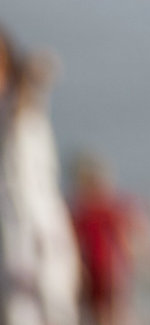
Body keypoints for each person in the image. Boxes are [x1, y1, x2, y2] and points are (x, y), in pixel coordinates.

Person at [0, 27, 81, 325]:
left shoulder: (26, 106)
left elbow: (48, 66)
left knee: (56, 304)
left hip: (43, 223)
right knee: (20, 311)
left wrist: (25, 71)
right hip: (12, 233)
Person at [67, 152, 150, 325]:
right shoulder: (79, 213)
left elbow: (139, 229)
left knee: (116, 311)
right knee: (99, 314)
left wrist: (148, 257)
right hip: (93, 274)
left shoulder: (113, 207)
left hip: (112, 272)